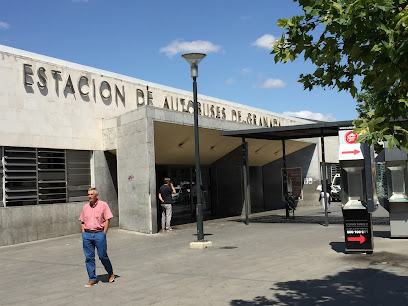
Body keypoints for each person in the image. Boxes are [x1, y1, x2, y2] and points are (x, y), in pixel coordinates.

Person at [79, 188, 115, 287]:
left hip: (99, 234)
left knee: (102, 255)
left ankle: (110, 272)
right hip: (87, 235)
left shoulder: (103, 205)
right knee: (89, 258)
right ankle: (92, 279)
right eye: (88, 194)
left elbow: (107, 220)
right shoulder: (85, 207)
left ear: (97, 195)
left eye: (91, 194)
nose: (89, 196)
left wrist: (104, 233)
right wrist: (83, 233)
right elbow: (82, 221)